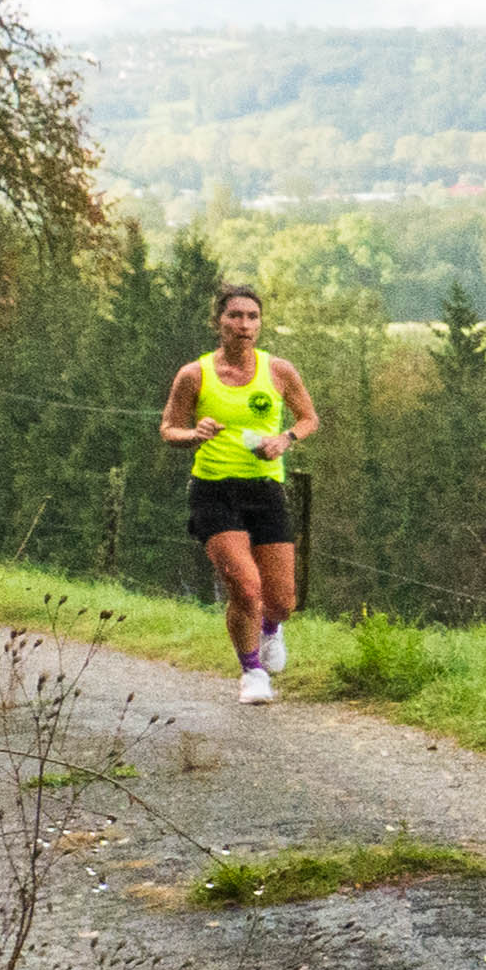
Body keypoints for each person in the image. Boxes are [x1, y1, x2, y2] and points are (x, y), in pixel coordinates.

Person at [158, 285, 321, 705]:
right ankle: (252, 672)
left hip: (265, 490)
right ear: (218, 322)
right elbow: (169, 429)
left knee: (282, 601)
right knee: (246, 589)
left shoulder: (279, 371)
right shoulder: (194, 375)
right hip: (214, 490)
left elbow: (308, 418)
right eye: (235, 316)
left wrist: (285, 439)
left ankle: (271, 628)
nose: (244, 325)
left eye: (252, 317)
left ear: (260, 324)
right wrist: (194, 434)